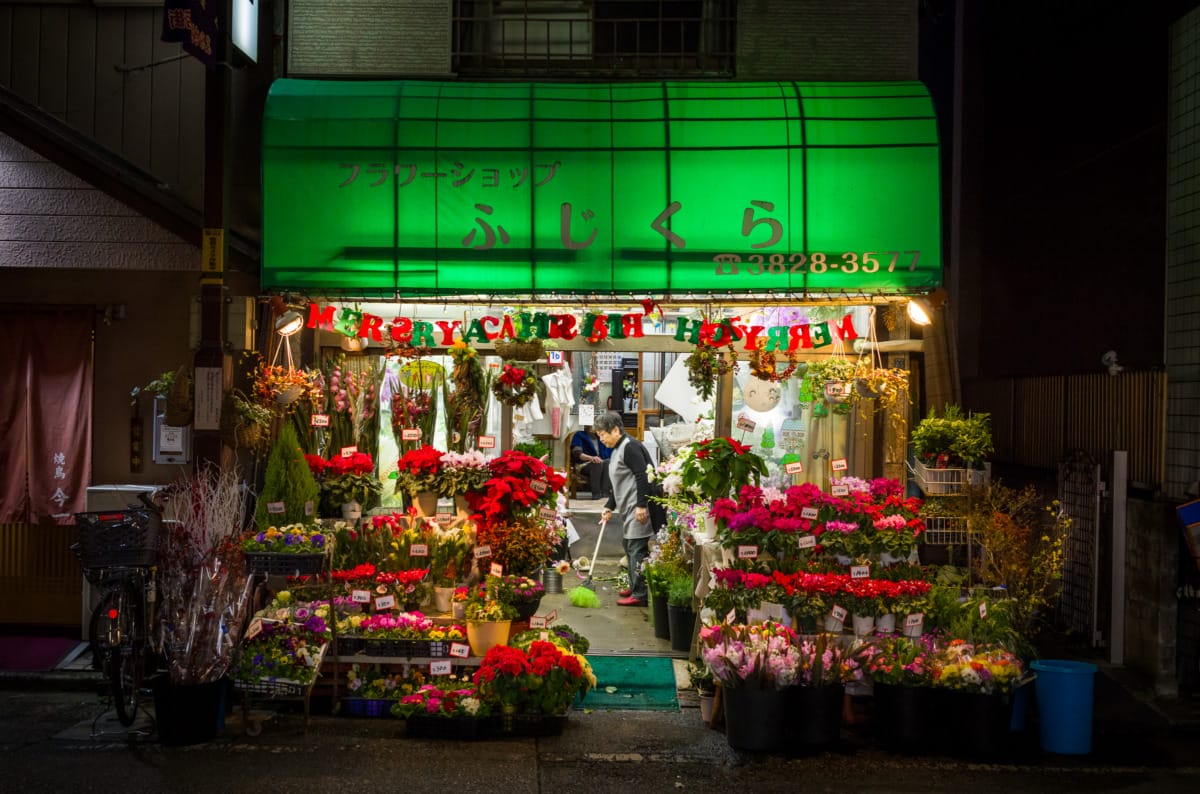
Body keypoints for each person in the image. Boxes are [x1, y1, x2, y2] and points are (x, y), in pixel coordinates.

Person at [595, 411, 656, 607]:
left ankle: (640, 594)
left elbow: (642, 475)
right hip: (628, 506)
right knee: (629, 546)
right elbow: (619, 481)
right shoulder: (618, 449)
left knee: (636, 548)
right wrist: (609, 506)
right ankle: (635, 585)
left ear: (615, 430)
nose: (601, 439)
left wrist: (641, 505)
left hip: (637, 508)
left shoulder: (630, 447)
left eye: (602, 434)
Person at [570, 427, 611, 498]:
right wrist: (592, 458)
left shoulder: (600, 437)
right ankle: (596, 494)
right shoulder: (579, 435)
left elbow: (606, 453)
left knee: (608, 462)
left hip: (600, 462)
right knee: (597, 463)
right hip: (583, 464)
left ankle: (605, 493)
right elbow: (577, 453)